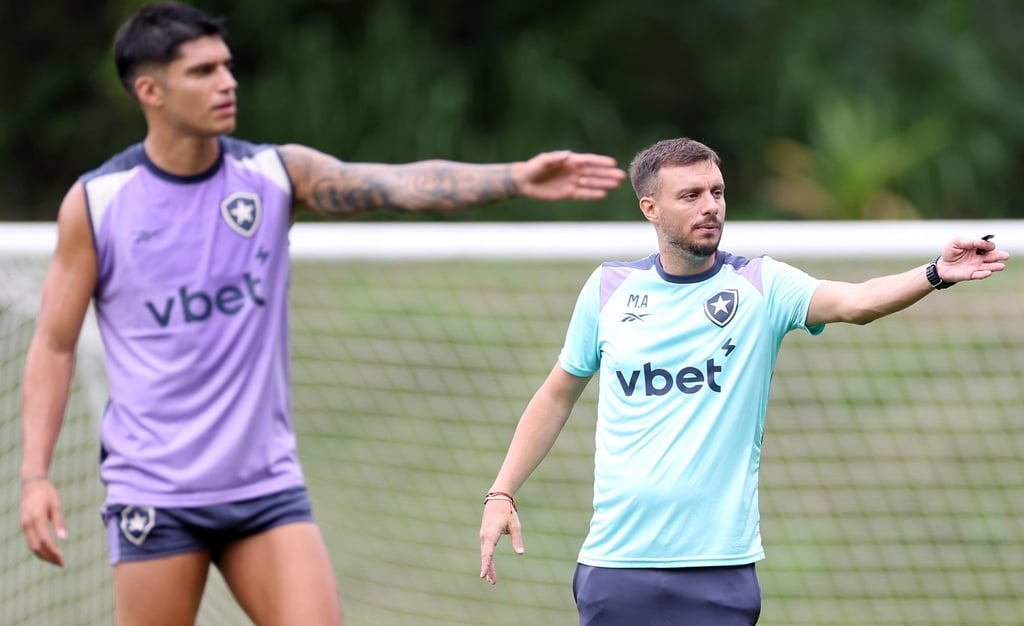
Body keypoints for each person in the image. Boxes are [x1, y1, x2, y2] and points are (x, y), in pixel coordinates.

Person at [17, 3, 626, 626]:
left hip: (263, 489)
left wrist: (515, 177)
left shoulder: (274, 176)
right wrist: (36, 474)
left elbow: (394, 184)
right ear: (150, 90)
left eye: (227, 66)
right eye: (202, 71)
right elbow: (56, 344)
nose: (227, 82)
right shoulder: (97, 204)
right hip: (156, 493)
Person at [477, 137, 1010, 625]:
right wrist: (502, 491)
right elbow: (556, 393)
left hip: (720, 570)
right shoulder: (608, 289)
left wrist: (935, 272)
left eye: (717, 191)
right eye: (690, 195)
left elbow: (856, 302)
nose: (710, 205)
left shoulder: (761, 284)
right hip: (616, 566)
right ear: (650, 208)